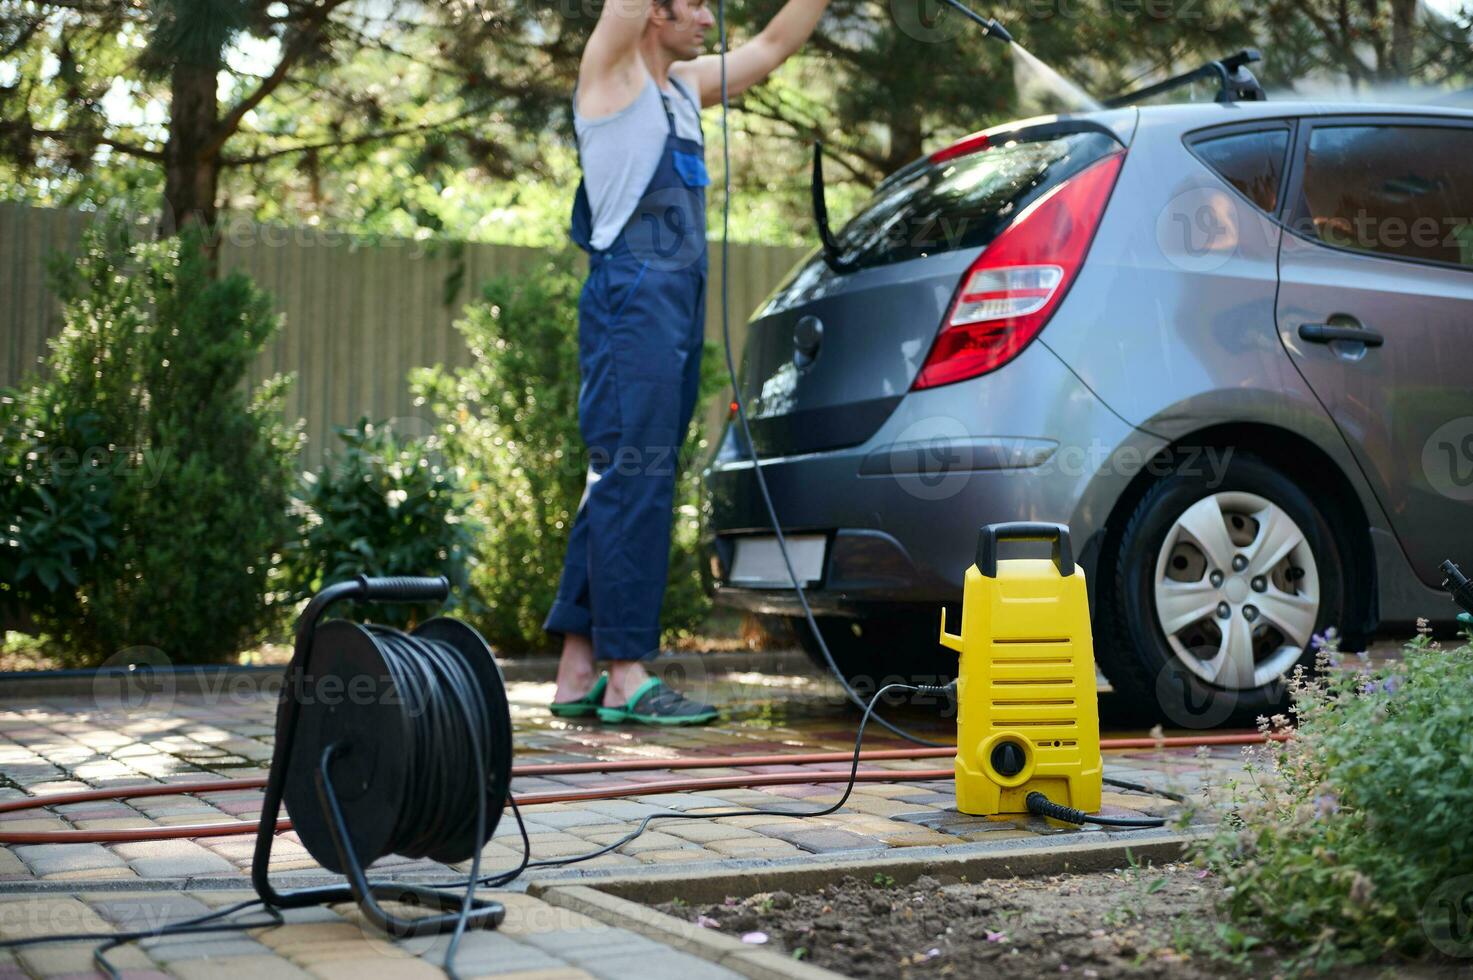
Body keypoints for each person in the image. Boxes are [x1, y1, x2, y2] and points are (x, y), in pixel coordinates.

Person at [543, 0, 831, 724]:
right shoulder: (610, 75)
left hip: (672, 306)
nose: (709, 17)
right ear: (653, 14)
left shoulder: (684, 87)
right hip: (629, 301)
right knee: (631, 474)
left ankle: (578, 672)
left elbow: (772, 44)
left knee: (626, 473)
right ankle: (626, 674)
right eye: (694, 4)